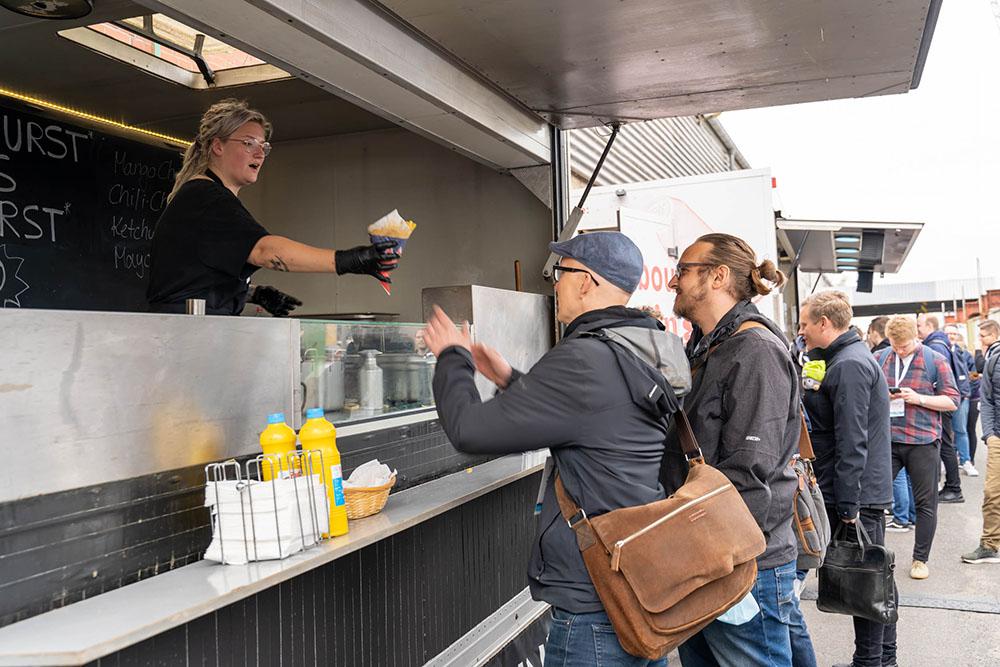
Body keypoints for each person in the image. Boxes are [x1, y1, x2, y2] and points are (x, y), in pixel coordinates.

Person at [423, 232, 687, 665]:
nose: (555, 284)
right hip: (636, 581)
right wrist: (510, 379)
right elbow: (597, 418)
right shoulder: (646, 347)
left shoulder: (583, 358)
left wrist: (453, 357)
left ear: (585, 281)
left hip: (595, 599)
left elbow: (469, 431)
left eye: (559, 274)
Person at [662, 233, 809, 667]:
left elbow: (751, 472)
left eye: (683, 270)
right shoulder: (707, 344)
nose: (673, 281)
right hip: (705, 555)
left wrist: (719, 560)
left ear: (718, 276)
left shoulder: (755, 349)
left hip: (738, 563)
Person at [147, 99, 398, 316]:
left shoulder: (206, 196)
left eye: (263, 147)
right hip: (186, 334)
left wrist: (254, 294)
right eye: (248, 143)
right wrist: (349, 260)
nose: (259, 154)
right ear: (218, 146)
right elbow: (265, 251)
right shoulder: (206, 197)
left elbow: (195, 276)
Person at [797, 292, 895, 667]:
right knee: (875, 580)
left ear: (824, 323)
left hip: (856, 492)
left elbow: (852, 441)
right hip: (860, 488)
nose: (801, 331)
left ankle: (870, 662)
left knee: (867, 583)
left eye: (805, 324)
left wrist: (848, 505)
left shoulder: (849, 365)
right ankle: (882, 659)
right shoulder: (844, 359)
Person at [877, 316, 960, 580]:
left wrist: (919, 399)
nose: (900, 350)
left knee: (926, 503)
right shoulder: (880, 358)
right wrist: (883, 396)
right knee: (874, 499)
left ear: (917, 337)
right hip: (888, 440)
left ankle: (920, 559)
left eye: (904, 346)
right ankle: (874, 557)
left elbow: (953, 401)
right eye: (895, 345)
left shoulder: (935, 360)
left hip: (923, 440)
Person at [917, 314, 968, 503]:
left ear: (929, 326)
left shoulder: (935, 347)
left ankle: (953, 488)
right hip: (942, 401)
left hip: (940, 402)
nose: (917, 329)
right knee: (947, 443)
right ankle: (951, 486)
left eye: (919, 325)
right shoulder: (939, 343)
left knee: (946, 445)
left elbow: (940, 378)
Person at [962, 319, 1000, 565]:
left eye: (983, 336)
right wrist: (989, 434)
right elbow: (986, 400)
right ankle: (989, 545)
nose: (980, 340)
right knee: (992, 493)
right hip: (998, 437)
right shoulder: (993, 360)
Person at [945, 325, 979, 475]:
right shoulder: (939, 352)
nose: (952, 336)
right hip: (944, 397)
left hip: (961, 397)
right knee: (945, 433)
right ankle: (947, 463)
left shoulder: (964, 354)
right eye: (949, 333)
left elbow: (974, 374)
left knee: (961, 430)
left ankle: (966, 461)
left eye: (954, 333)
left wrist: (966, 391)